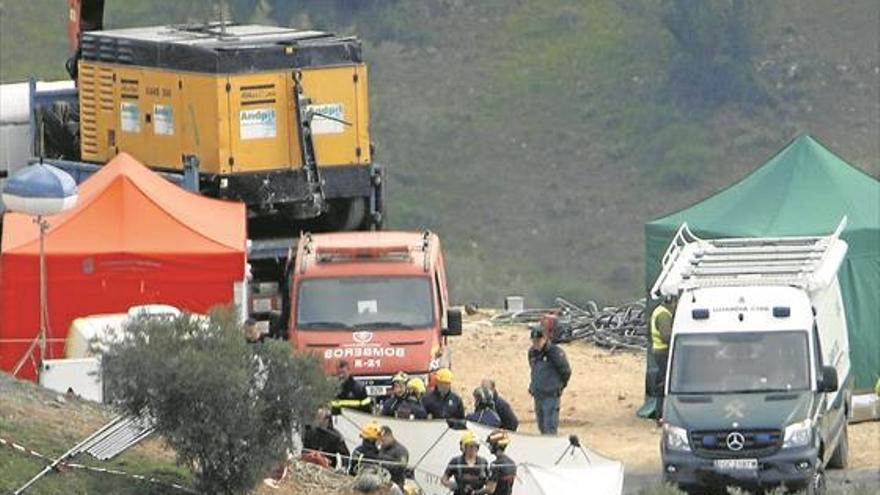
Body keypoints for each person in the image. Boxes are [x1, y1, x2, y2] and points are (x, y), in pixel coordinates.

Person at [528, 325, 571, 435]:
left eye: (538, 340)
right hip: (538, 395)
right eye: (534, 341)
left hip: (551, 396)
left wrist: (559, 386)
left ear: (545, 339)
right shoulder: (532, 353)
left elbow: (565, 371)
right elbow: (533, 369)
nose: (536, 343)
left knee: (550, 428)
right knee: (541, 426)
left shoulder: (555, 352)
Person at [441, 430, 490, 495]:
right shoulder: (456, 462)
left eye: (475, 446)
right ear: (464, 447)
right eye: (471, 446)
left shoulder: (483, 462)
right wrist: (451, 485)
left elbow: (489, 483)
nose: (473, 449)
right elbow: (444, 479)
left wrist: (483, 489)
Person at [650, 296, 676, 416]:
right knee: (665, 383)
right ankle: (661, 413)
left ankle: (660, 412)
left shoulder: (661, 311)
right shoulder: (664, 315)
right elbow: (666, 336)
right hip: (663, 352)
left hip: (660, 351)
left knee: (663, 380)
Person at [376, 425, 410, 491]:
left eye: (383, 440)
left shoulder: (401, 451)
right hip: (382, 485)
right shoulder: (382, 448)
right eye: (380, 440)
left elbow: (402, 467)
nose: (381, 442)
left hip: (395, 486)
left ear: (389, 436)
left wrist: (383, 464)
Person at [485, 430, 517, 495]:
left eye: (491, 444)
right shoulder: (512, 463)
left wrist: (475, 492)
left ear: (496, 445)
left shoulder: (495, 464)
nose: (489, 446)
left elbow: (490, 489)